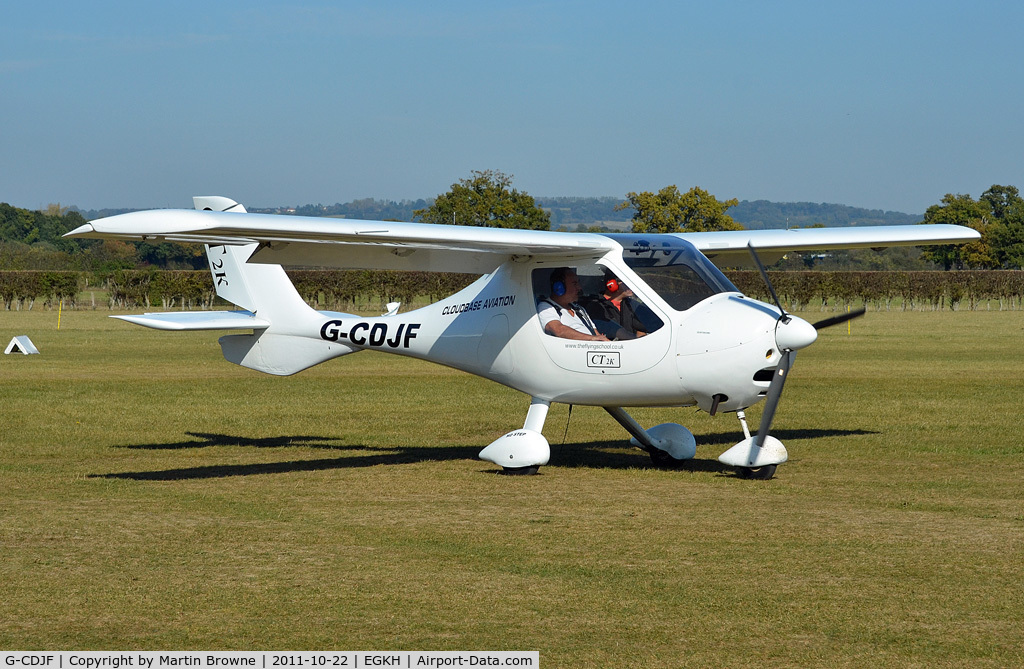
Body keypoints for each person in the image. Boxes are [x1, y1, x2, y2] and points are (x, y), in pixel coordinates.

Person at [537, 268, 610, 342]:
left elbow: (595, 333)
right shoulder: (546, 307)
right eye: (574, 284)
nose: (579, 288)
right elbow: (558, 330)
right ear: (559, 287)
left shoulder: (578, 308)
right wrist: (592, 338)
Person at [579, 273, 648, 340]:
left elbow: (641, 328)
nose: (631, 285)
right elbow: (605, 331)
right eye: (626, 282)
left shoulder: (631, 304)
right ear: (612, 284)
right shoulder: (596, 306)